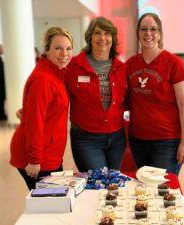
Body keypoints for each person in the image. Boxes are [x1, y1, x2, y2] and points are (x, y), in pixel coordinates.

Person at [126, 13, 184, 176]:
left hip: (167, 141)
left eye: (153, 29)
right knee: (145, 191)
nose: (148, 33)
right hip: (138, 140)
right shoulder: (130, 64)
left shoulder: (174, 63)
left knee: (162, 188)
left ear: (159, 33)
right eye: (144, 29)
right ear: (138, 33)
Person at [10, 27, 73, 190]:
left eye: (68, 48)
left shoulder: (56, 73)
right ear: (47, 50)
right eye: (58, 48)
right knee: (49, 205)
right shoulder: (44, 79)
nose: (64, 53)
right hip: (39, 156)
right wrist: (34, 159)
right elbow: (35, 122)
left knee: (51, 204)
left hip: (48, 152)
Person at [65, 17, 128, 172]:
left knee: (113, 185)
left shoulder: (122, 68)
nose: (102, 38)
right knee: (98, 184)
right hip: (86, 138)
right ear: (89, 37)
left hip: (116, 137)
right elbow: (58, 94)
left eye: (107, 33)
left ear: (113, 38)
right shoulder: (74, 66)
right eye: (97, 33)